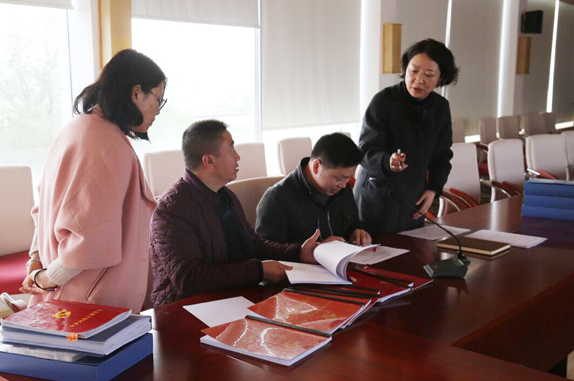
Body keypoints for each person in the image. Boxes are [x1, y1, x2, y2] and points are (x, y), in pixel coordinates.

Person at [20, 49, 167, 313]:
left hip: (65, 299)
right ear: (136, 93)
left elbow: (44, 205)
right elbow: (88, 244)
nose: (158, 110)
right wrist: (44, 280)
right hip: (90, 308)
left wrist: (36, 260)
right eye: (158, 99)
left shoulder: (75, 128)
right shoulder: (108, 146)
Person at [149, 120, 323, 307]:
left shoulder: (225, 195)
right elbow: (189, 279)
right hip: (184, 309)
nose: (238, 156)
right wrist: (259, 271)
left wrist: (299, 252)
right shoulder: (172, 209)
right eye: (231, 149)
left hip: (230, 299)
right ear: (209, 161)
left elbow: (253, 245)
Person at [354, 39, 458, 234]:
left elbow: (442, 155)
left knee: (411, 247)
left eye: (429, 74)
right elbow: (365, 150)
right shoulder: (384, 101)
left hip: (413, 197)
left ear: (441, 77)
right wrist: (387, 161)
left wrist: (433, 189)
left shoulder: (440, 108)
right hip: (377, 196)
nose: (419, 79)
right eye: (414, 71)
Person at [256, 133, 371, 246]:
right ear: (316, 166)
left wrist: (357, 231)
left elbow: (353, 223)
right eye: (339, 178)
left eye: (348, 178)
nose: (344, 185)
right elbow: (266, 250)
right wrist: (314, 250)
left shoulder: (341, 188)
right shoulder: (277, 198)